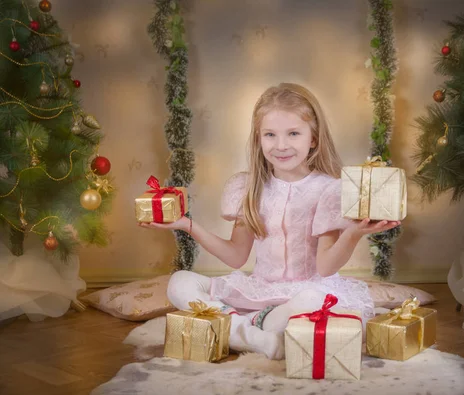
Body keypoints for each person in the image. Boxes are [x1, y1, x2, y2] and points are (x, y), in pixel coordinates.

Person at [139, 82, 400, 359]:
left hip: (306, 291)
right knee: (179, 282)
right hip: (259, 290)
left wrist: (353, 234)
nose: (281, 145)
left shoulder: (329, 189)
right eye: (270, 135)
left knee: (314, 302)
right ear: (258, 138)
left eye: (293, 134)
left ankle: (242, 327)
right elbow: (236, 256)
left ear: (313, 138)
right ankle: (254, 332)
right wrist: (187, 225)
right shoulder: (248, 187)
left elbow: (325, 267)